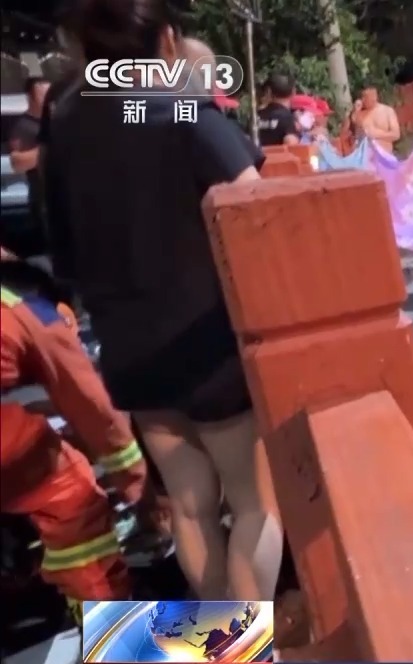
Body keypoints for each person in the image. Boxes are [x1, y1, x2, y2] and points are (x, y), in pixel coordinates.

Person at [44, 0, 282, 601]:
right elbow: (258, 205)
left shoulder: (66, 120)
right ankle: (243, 642)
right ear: (168, 43)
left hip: (129, 348)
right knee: (254, 505)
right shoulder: (175, 109)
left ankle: (218, 637)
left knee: (191, 507)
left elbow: (62, 243)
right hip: (208, 344)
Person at [2, 274, 150, 623]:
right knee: (70, 498)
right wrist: (138, 486)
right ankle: (113, 627)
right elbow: (94, 409)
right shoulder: (28, 307)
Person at [8, 77, 51, 242]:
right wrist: (50, 148)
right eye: (43, 95)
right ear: (30, 97)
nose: (48, 100)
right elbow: (17, 163)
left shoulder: (54, 122)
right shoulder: (24, 127)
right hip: (43, 201)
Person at [350, 85, 400, 153]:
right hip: (365, 155)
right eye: (362, 97)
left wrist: (376, 134)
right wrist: (356, 111)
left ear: (374, 96)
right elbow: (356, 135)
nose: (363, 100)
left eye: (366, 97)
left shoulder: (387, 111)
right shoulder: (359, 113)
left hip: (383, 155)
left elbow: (396, 135)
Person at [257, 72, 299, 146]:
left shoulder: (256, 116)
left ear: (269, 92)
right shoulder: (286, 117)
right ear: (293, 92)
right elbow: (291, 142)